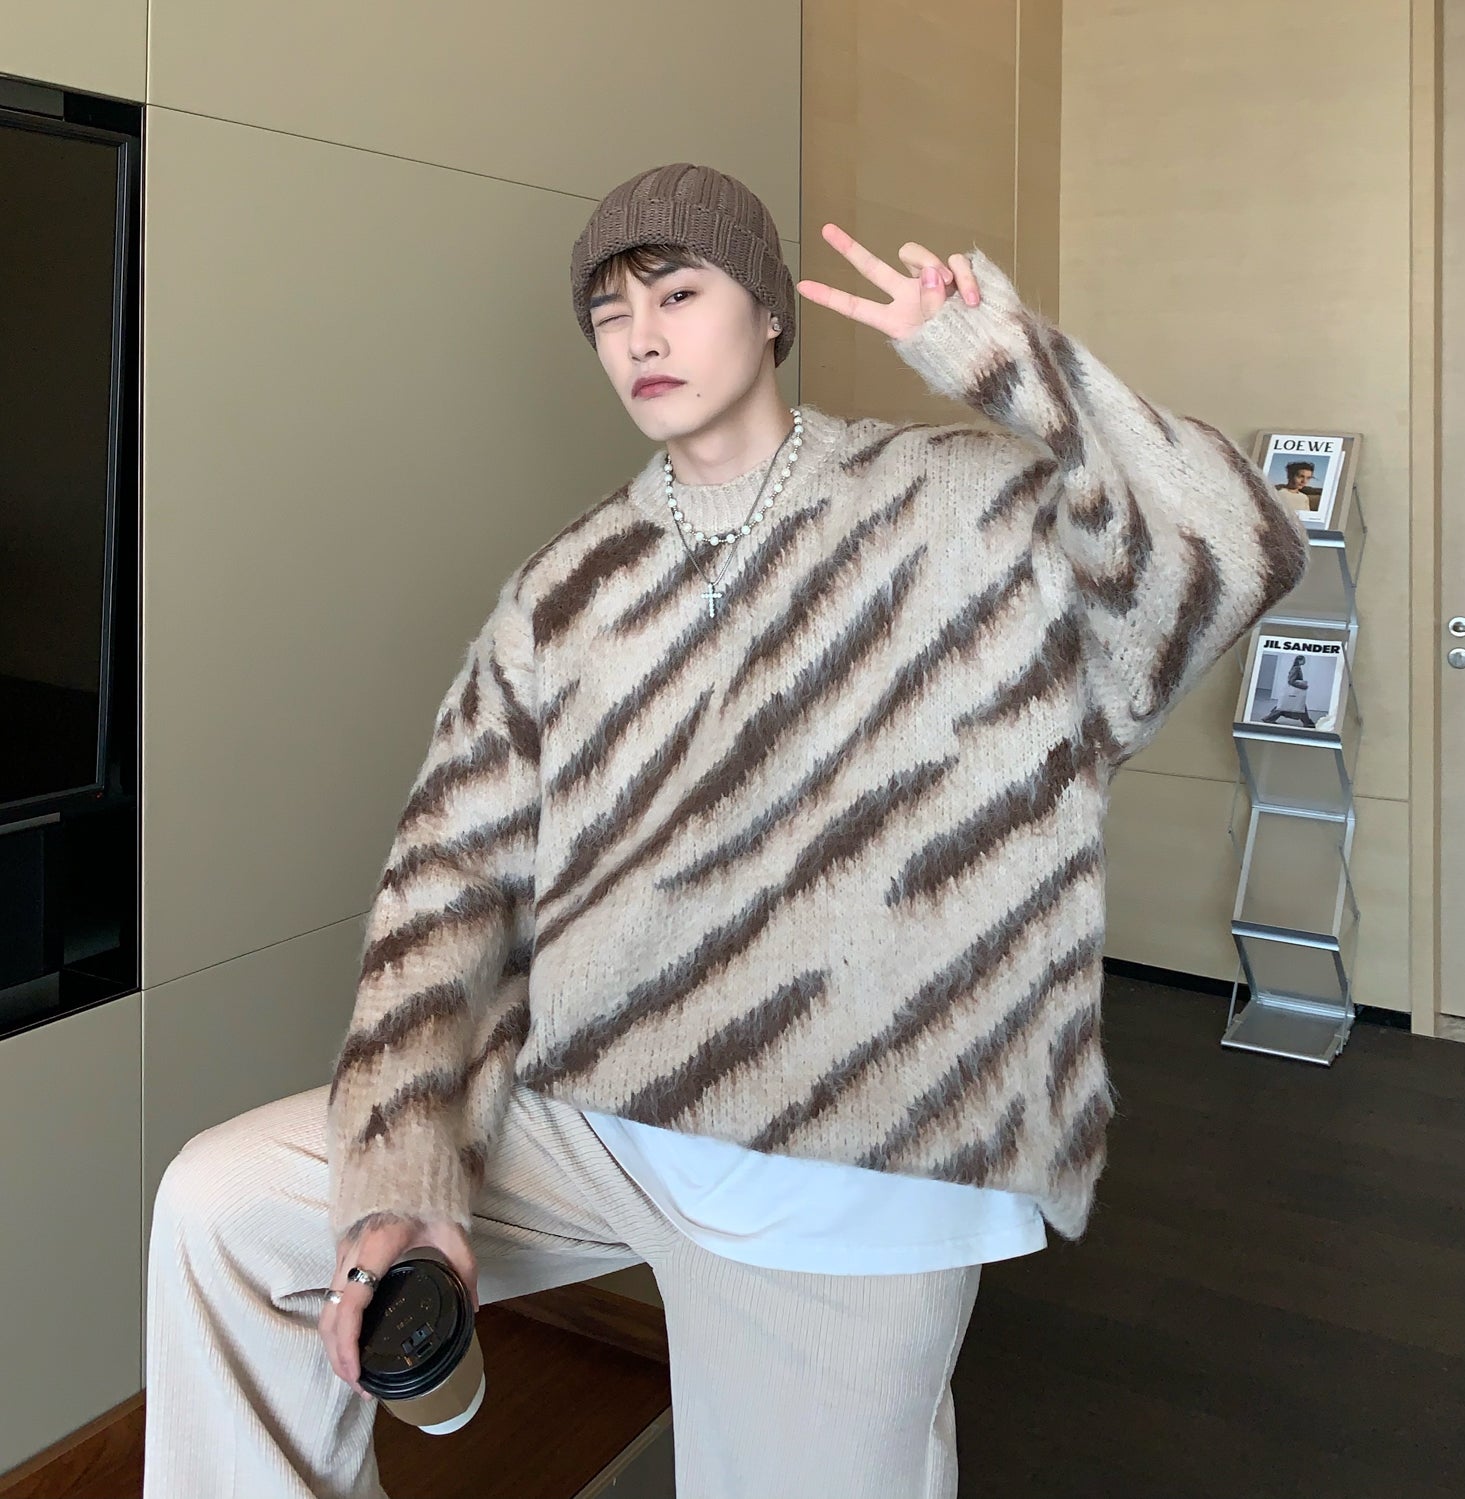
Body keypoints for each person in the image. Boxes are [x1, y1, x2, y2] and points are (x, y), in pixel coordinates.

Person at [143, 162, 1308, 1498]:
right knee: (226, 1209)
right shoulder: (567, 587)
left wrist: (1000, 354)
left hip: (852, 1172)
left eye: (678, 294)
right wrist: (401, 1176)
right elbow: (443, 883)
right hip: (597, 1122)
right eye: (609, 313)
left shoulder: (955, 505)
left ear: (767, 310)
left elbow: (1233, 542)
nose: (639, 335)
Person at [1262, 652, 1317, 727]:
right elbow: (1291, 681)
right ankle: (1307, 723)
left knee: (1289, 705)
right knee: (1297, 706)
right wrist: (1302, 686)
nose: (1304, 662)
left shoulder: (1296, 668)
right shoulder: (1296, 668)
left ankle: (1307, 722)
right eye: (1303, 660)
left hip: (1295, 692)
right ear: (1299, 660)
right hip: (1295, 692)